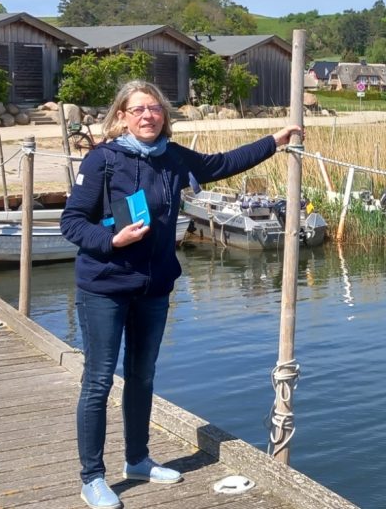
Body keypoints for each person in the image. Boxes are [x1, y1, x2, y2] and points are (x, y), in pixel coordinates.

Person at [60, 80, 301, 508]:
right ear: (121, 117)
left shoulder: (172, 157)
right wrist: (110, 242)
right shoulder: (103, 161)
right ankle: (91, 477)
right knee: (98, 381)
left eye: (154, 109)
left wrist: (274, 142)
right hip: (105, 287)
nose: (147, 116)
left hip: (154, 288)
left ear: (164, 115)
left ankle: (137, 459)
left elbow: (222, 162)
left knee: (143, 376)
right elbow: (72, 222)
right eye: (137, 110)